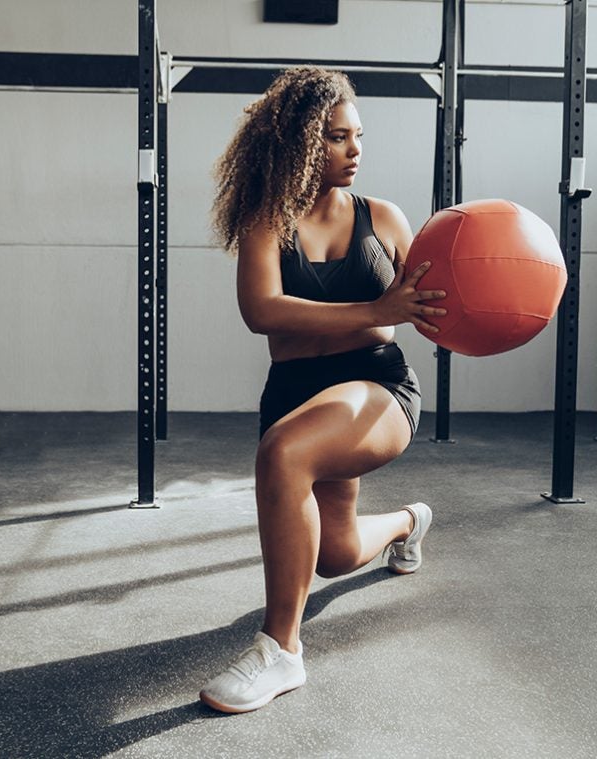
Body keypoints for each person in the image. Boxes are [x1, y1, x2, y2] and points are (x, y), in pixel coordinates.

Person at [198, 67, 446, 714]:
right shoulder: (265, 220)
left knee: (283, 453)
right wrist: (377, 304)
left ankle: (280, 649)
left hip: (376, 387)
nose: (354, 149)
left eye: (357, 136)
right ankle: (407, 522)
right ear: (300, 143)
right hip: (296, 392)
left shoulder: (384, 219)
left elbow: (433, 301)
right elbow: (263, 311)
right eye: (337, 137)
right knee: (334, 553)